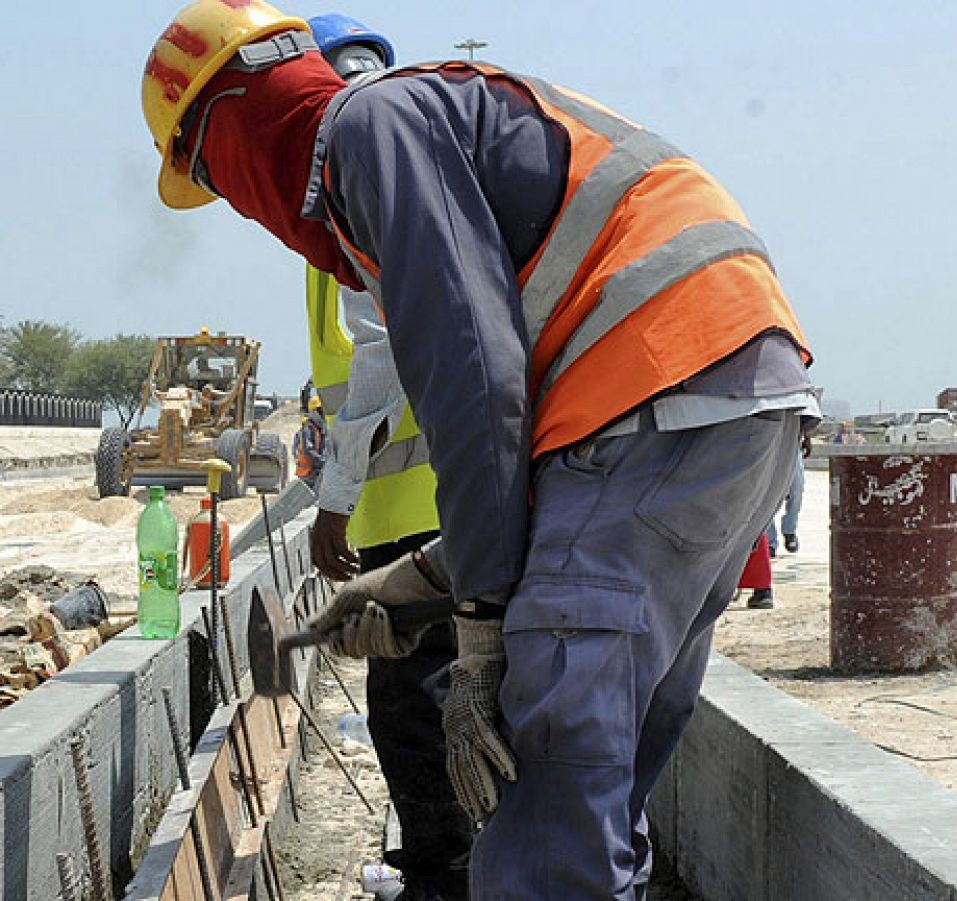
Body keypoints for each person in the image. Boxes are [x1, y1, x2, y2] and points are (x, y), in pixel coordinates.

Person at [142, 4, 814, 898]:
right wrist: (425, 581)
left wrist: (481, 633)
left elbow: (479, 380)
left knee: (544, 808)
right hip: (727, 399)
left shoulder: (372, 130)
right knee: (595, 795)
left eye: (211, 176)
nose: (234, 202)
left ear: (230, 118)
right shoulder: (435, 123)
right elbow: (545, 449)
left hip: (654, 385)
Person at [298, 15, 473, 900]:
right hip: (454, 501)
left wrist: (334, 497)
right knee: (445, 697)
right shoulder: (423, 170)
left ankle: (443, 876)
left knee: (415, 710)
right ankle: (444, 864)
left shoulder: (350, 182)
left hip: (410, 520)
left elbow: (378, 355)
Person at [764, 433, 810, 554]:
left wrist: (807, 436)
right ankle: (770, 542)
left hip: (793, 442)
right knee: (767, 495)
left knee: (797, 488)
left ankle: (789, 530)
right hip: (769, 443)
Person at [292, 395, 327, 483]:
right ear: (314, 412)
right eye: (321, 411)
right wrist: (323, 462)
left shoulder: (318, 428)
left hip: (313, 472)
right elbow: (308, 450)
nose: (323, 414)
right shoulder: (308, 429)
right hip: (308, 474)